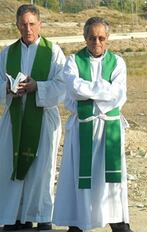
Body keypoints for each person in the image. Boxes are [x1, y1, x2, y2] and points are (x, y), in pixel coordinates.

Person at [52, 17, 131, 232]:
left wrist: (88, 92)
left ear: (108, 39)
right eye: (92, 37)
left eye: (101, 38)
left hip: (109, 127)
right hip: (83, 127)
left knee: (111, 178)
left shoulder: (118, 62)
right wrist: (101, 89)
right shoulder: (72, 61)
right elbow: (73, 88)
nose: (97, 42)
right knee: (81, 175)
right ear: (85, 38)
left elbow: (117, 94)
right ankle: (79, 223)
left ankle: (118, 223)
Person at [0, 4, 66, 231]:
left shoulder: (53, 52)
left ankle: (41, 216)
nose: (27, 29)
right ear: (17, 25)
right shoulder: (8, 52)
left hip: (43, 118)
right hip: (15, 118)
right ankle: (16, 217)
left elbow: (63, 85)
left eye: (32, 24)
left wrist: (38, 86)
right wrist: (7, 89)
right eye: (23, 24)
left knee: (42, 170)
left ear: (40, 24)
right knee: (11, 164)